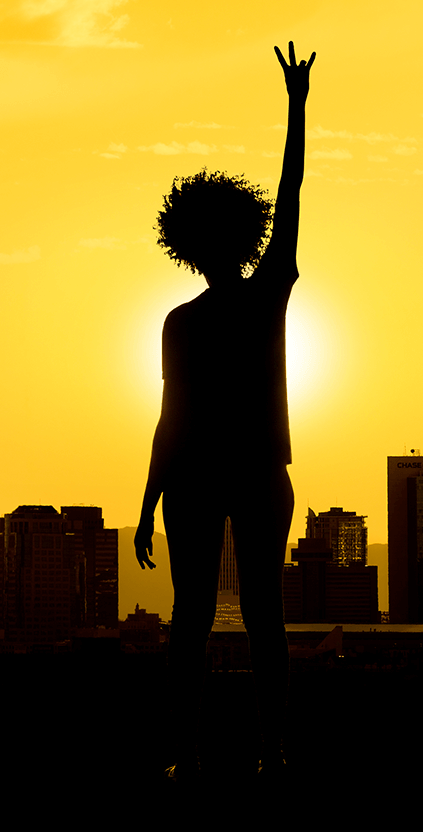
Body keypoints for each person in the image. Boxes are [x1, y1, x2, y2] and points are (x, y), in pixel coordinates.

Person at [134, 41, 314, 780]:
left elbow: (170, 421)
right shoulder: (249, 297)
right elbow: (169, 420)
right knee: (240, 618)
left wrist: (296, 108)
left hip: (213, 477)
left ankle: (206, 755)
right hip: (237, 475)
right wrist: (146, 504)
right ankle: (253, 753)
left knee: (197, 620)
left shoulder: (193, 317)